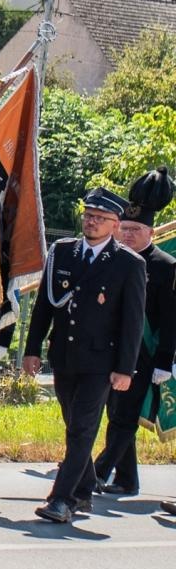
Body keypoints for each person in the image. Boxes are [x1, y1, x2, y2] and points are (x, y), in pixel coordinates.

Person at [23, 188, 145, 522]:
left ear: (115, 224)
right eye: (88, 215)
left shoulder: (128, 264)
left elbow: (132, 323)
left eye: (100, 218)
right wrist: (32, 349)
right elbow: (45, 305)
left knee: (82, 430)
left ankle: (62, 498)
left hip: (101, 361)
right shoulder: (63, 252)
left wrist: (125, 369)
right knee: (73, 424)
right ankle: (85, 487)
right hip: (64, 354)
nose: (91, 222)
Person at [93, 169, 176, 497]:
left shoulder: (166, 266)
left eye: (135, 230)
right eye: (123, 229)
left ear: (150, 232)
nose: (127, 235)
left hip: (145, 355)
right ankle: (128, 479)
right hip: (111, 349)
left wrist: (164, 360)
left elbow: (171, 319)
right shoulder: (111, 260)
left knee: (124, 416)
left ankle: (98, 471)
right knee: (115, 411)